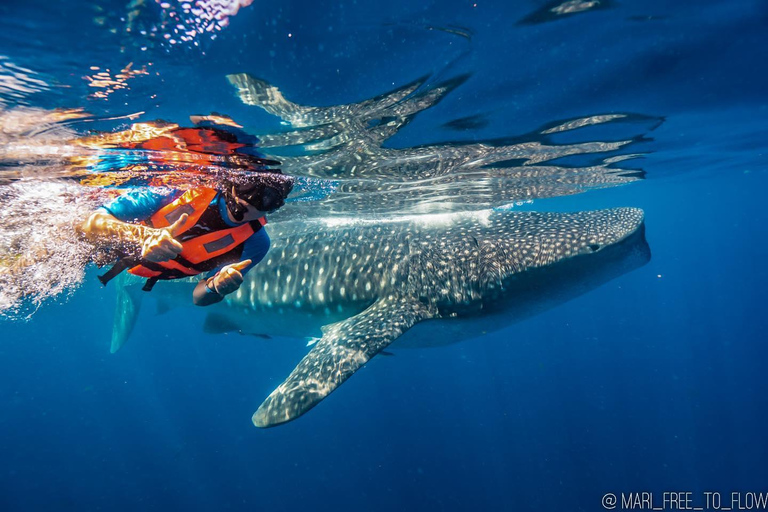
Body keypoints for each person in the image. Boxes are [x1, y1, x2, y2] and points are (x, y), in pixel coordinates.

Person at [79, 172, 293, 306]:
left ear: (275, 206)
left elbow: (198, 298)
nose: (251, 200)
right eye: (249, 186)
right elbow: (90, 224)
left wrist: (216, 287)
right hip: (98, 244)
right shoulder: (179, 189)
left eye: (267, 198)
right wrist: (143, 236)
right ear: (233, 180)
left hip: (139, 265)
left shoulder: (256, 243)